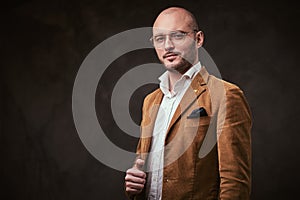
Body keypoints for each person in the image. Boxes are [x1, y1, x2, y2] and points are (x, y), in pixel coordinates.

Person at [125, 7, 252, 200]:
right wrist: (135, 183)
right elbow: (142, 165)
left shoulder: (226, 95)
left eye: (177, 36)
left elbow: (235, 183)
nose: (167, 46)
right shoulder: (150, 101)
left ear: (198, 39)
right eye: (160, 39)